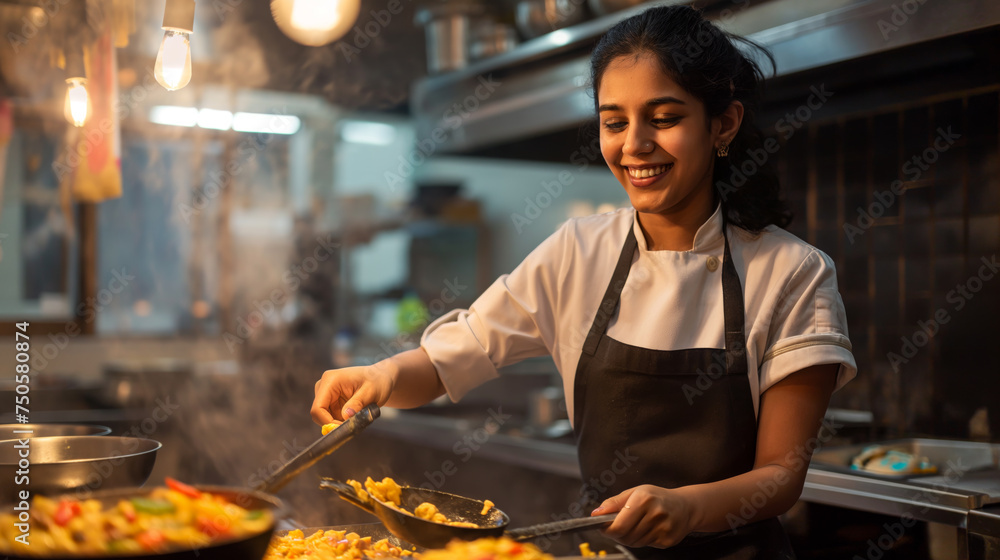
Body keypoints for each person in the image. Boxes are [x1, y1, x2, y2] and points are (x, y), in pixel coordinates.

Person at [312, 5, 857, 559]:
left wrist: (689, 506)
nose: (634, 145)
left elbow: (780, 476)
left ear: (724, 123)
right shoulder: (578, 251)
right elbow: (450, 359)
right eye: (614, 121)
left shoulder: (793, 272)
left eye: (664, 118)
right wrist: (377, 376)